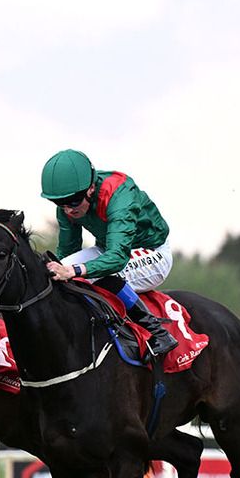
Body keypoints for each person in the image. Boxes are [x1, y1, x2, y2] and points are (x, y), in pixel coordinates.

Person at [40, 148, 179, 357]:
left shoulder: (119, 195)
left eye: (74, 202)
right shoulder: (69, 201)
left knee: (99, 275)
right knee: (52, 274)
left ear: (90, 189)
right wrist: (60, 269)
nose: (68, 209)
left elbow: (117, 258)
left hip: (150, 253)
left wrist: (74, 270)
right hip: (107, 250)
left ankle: (159, 333)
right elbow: (67, 251)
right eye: (60, 203)